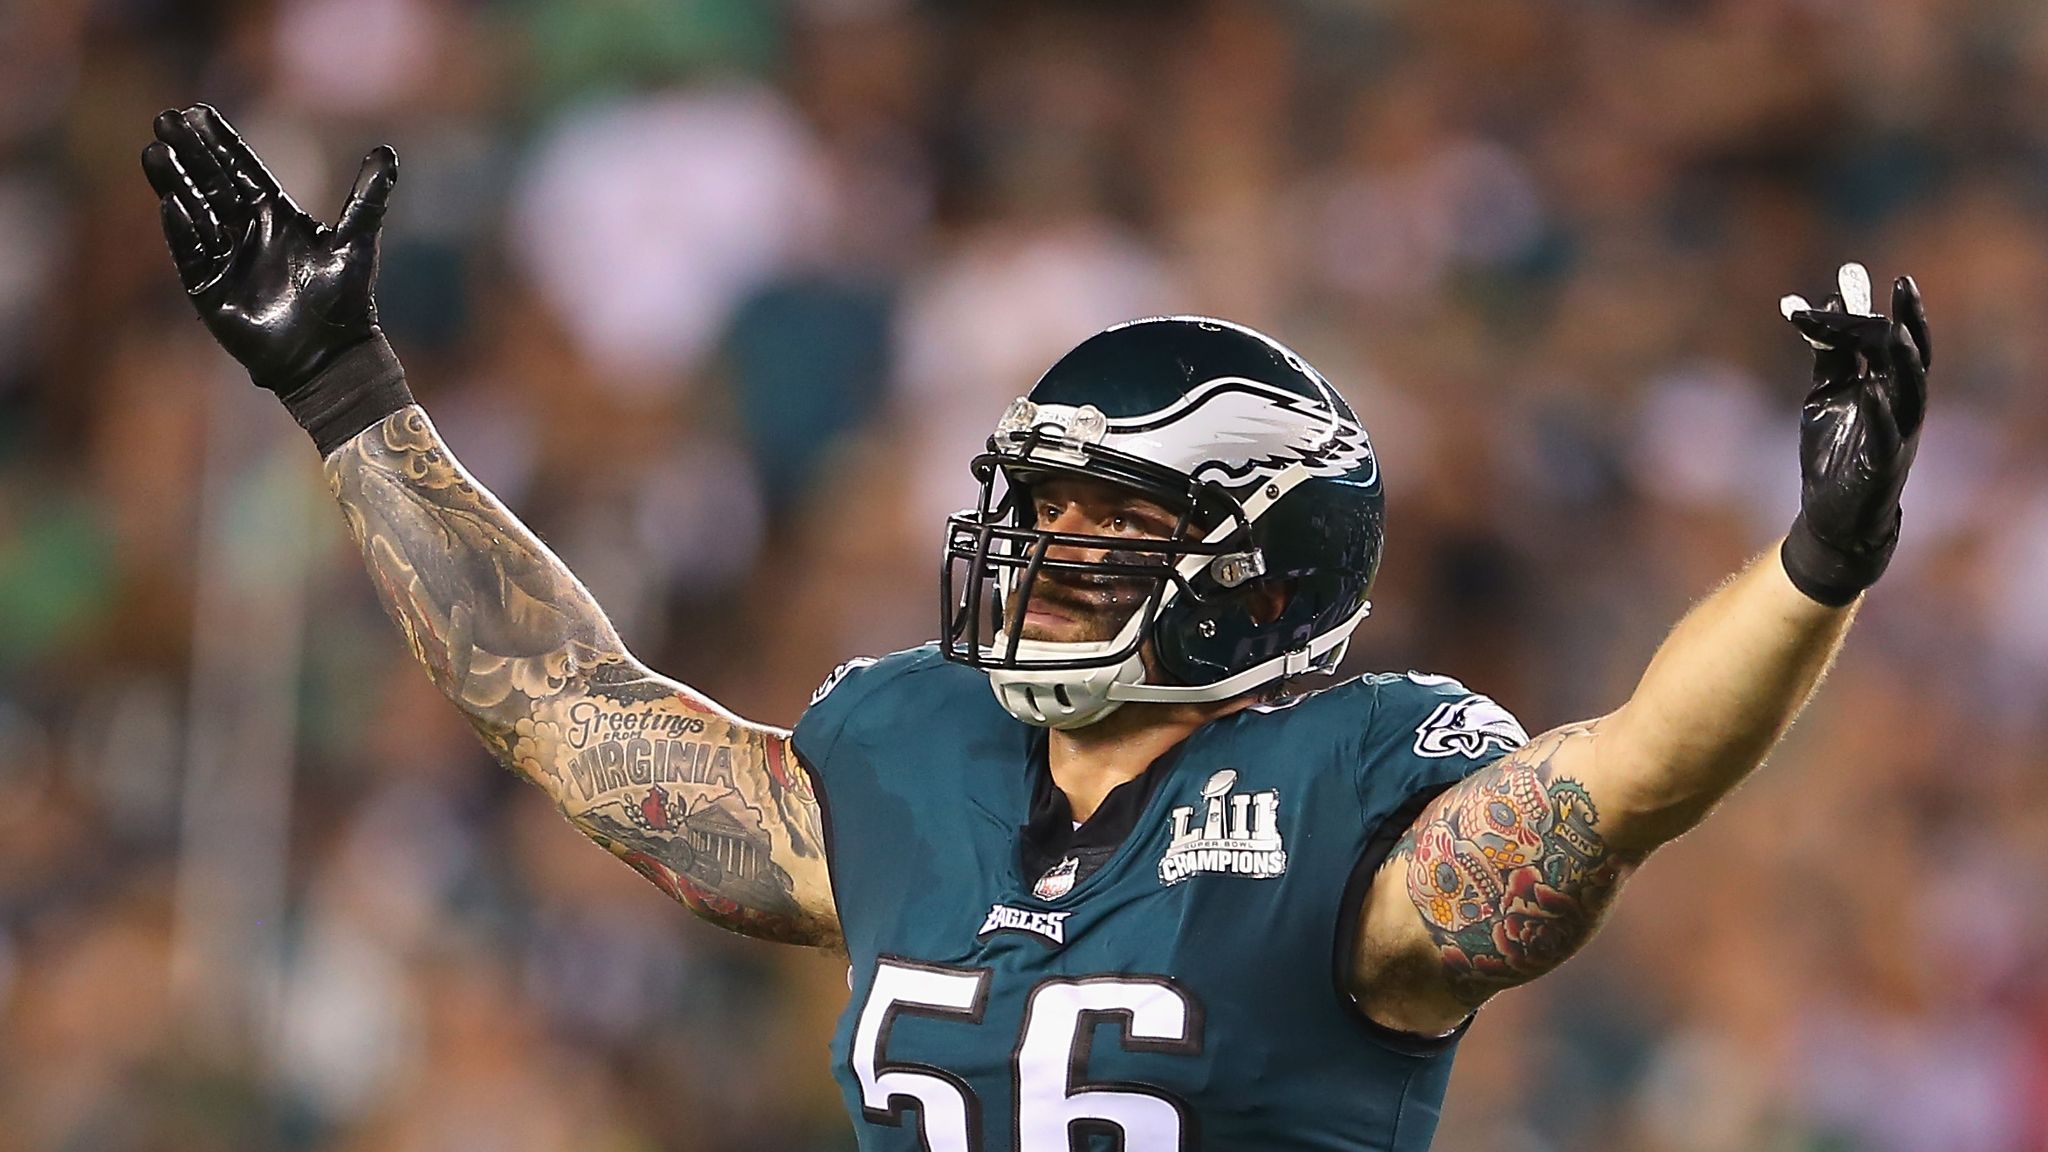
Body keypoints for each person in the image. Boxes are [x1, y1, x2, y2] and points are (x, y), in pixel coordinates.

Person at [141, 105, 1929, 1150]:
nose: (1048, 557)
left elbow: (1625, 786)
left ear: (1268, 570)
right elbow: (559, 702)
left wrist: (1813, 568)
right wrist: (346, 393)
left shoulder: (1342, 786)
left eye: (1112, 526)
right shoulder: (915, 753)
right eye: (1038, 515)